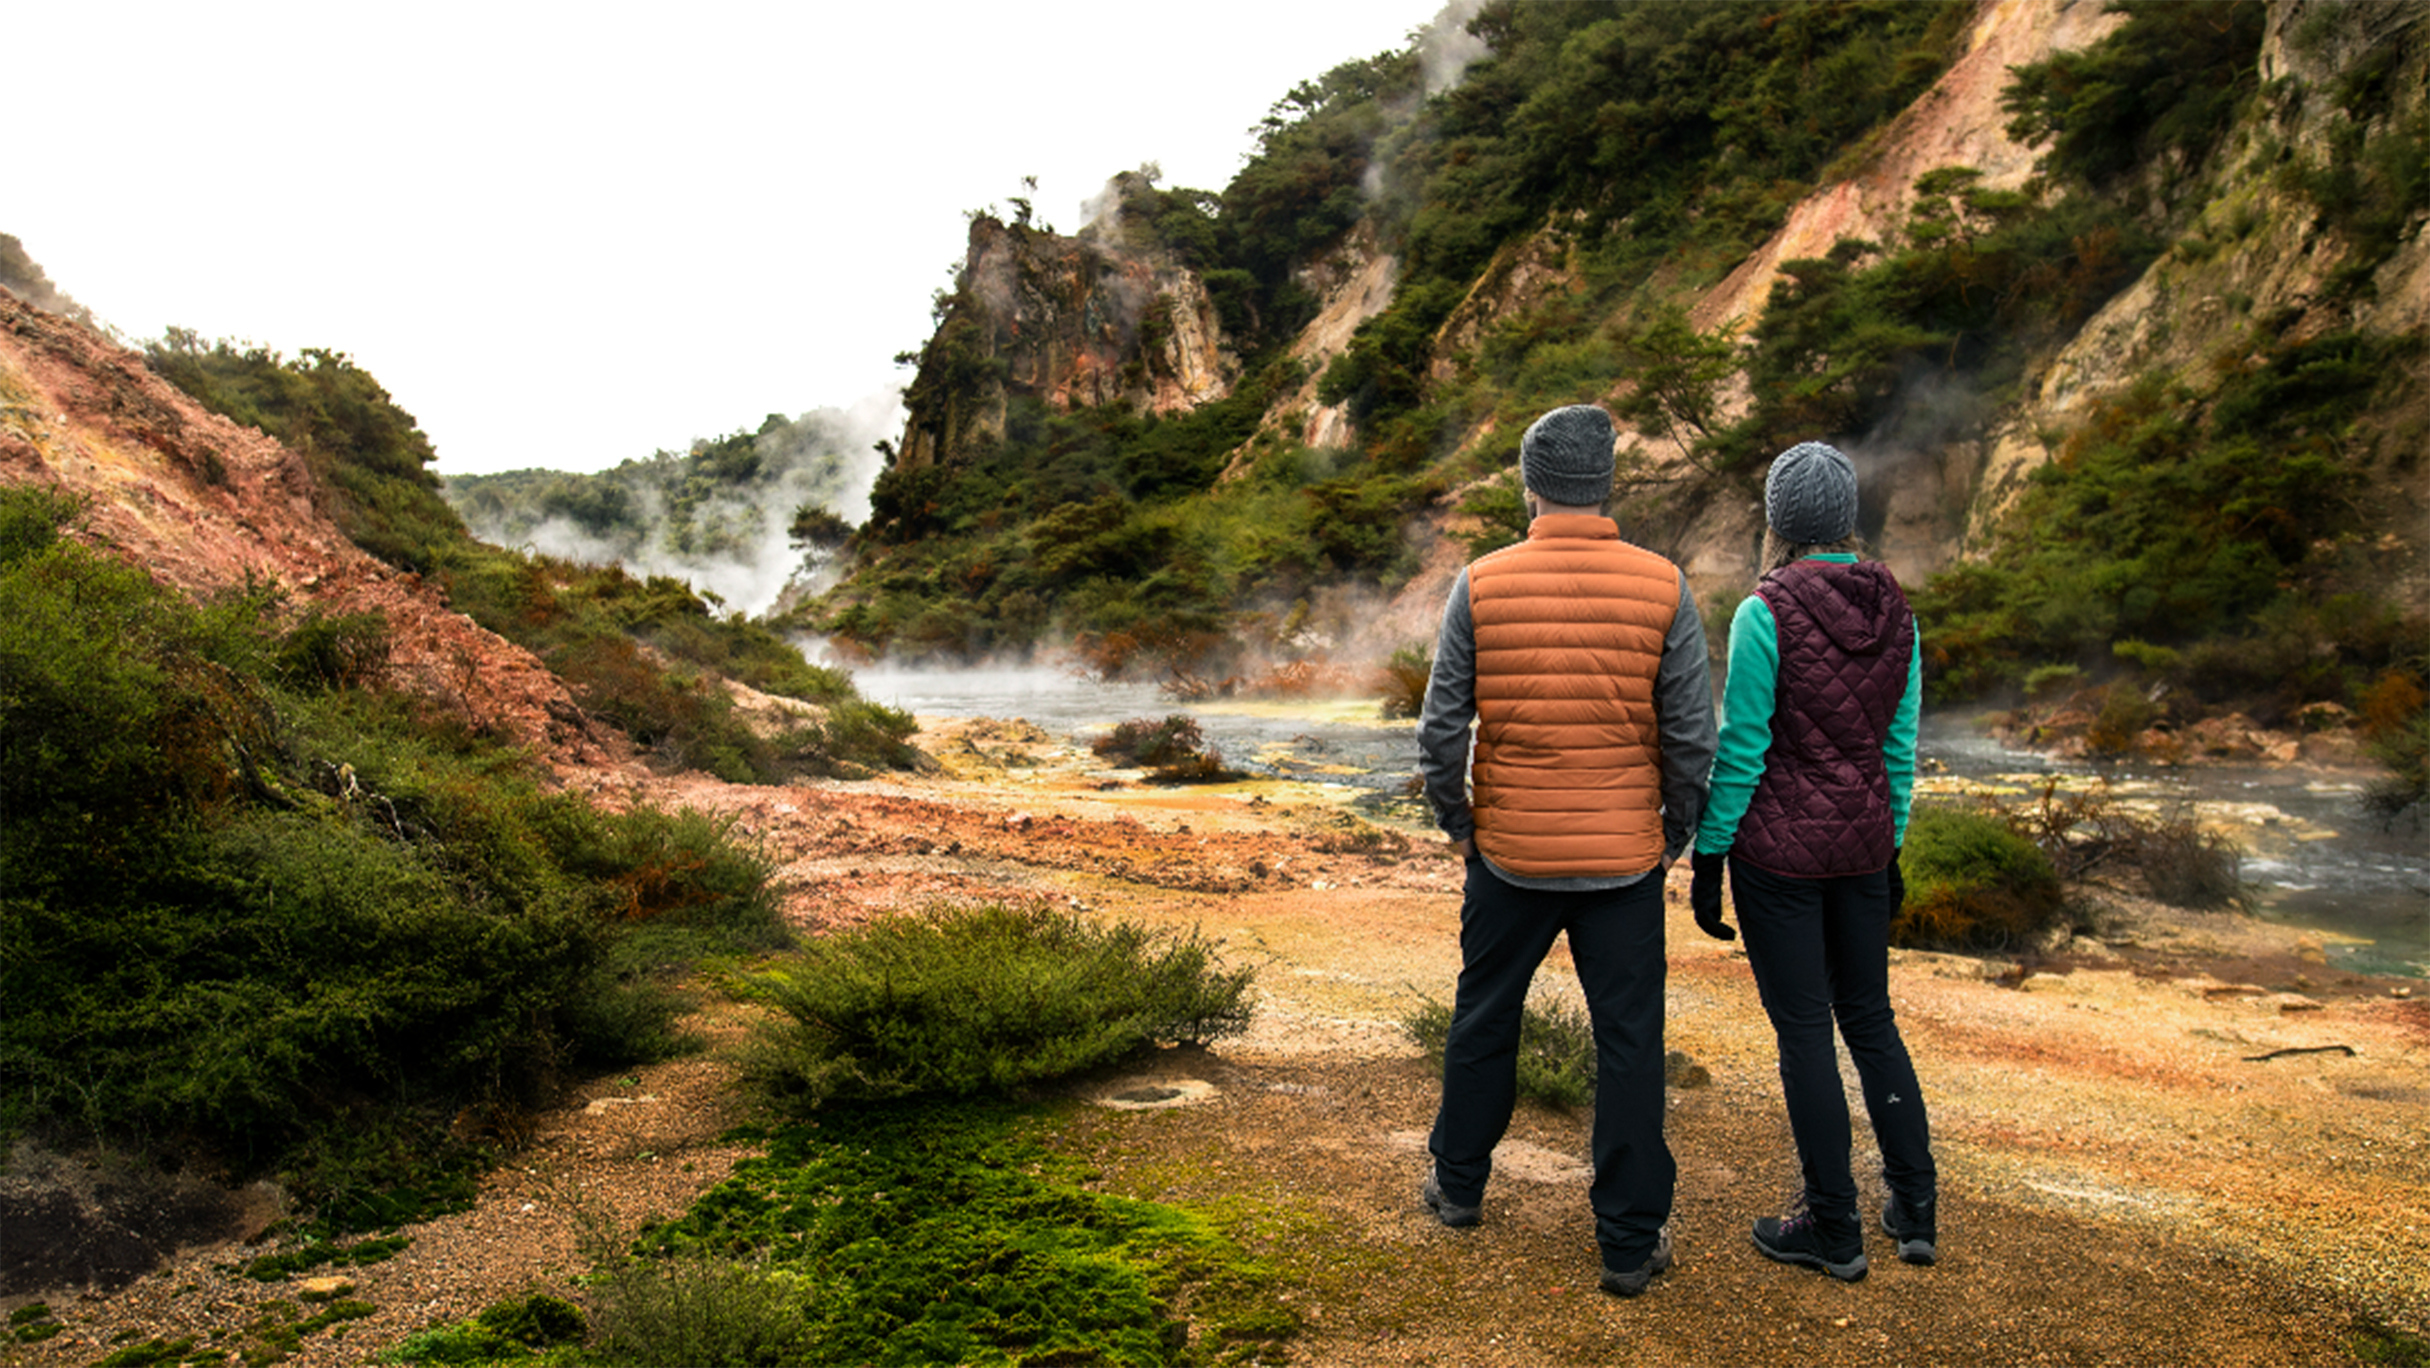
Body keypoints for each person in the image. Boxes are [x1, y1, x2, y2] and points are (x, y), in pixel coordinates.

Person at [1416, 403, 1716, 1298]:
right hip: (1624, 860)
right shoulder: (1664, 585)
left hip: (1508, 852)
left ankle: (1460, 1188)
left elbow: (1441, 730)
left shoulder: (1481, 581)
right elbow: (1692, 737)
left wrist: (1460, 825)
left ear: (1530, 484)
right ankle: (1628, 1242)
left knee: (1484, 1019)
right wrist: (1671, 834)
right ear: (1606, 485)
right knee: (1630, 1044)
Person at [1689, 440, 1938, 1283]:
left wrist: (1708, 855)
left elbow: (1745, 749)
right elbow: (1897, 750)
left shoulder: (1764, 612)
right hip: (1864, 851)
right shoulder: (1899, 610)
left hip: (1780, 862)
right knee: (1871, 1021)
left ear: (1779, 522)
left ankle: (1833, 1225)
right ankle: (1914, 1206)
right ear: (1847, 520)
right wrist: (1891, 843)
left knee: (1805, 1035)